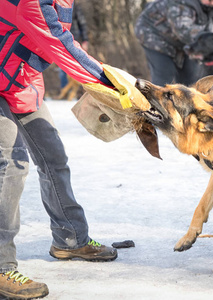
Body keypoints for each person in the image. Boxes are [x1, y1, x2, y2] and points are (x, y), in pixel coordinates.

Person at [0, 0, 118, 298]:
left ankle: (70, 239)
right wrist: (110, 84)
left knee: (53, 156)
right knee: (12, 165)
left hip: (19, 83)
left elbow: (60, 38)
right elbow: (59, 44)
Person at [134, 0, 213, 86]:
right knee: (164, 75)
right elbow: (184, 30)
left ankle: (187, 107)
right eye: (209, 0)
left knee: (191, 78)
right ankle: (155, 108)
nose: (212, 3)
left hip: (186, 43)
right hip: (154, 35)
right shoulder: (180, 2)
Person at [59, 1, 90, 89]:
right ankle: (64, 91)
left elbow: (82, 24)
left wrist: (85, 40)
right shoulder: (58, 4)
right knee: (62, 66)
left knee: (74, 65)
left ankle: (78, 90)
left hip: (73, 38)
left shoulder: (75, 6)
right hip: (61, 38)